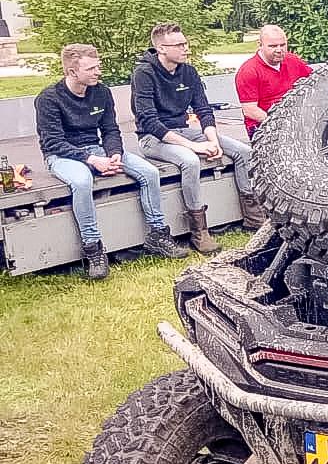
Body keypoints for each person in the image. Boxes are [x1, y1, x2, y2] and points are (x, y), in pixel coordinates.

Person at [34, 44, 186, 279]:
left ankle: (158, 234)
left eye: (98, 67)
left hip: (98, 149)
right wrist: (92, 160)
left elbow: (110, 130)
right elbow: (53, 142)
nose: (98, 72)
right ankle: (93, 248)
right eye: (91, 68)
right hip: (63, 155)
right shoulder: (49, 99)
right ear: (72, 73)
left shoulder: (102, 92)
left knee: (149, 172)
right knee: (82, 182)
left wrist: (114, 153)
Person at [133, 23, 264, 253]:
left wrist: (211, 139)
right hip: (153, 138)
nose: (186, 48)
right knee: (190, 161)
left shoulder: (188, 71)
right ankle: (199, 231)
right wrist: (195, 146)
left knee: (244, 152)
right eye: (180, 44)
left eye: (186, 43)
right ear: (162, 48)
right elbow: (149, 121)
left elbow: (203, 110)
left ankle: (253, 215)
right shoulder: (144, 74)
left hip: (185, 131)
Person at [235, 24, 312, 136]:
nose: (279, 50)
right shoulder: (248, 71)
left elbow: (314, 81)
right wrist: (280, 124)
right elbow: (250, 110)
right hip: (263, 126)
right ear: (260, 45)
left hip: (296, 119)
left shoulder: (293, 60)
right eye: (273, 46)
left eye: (283, 45)